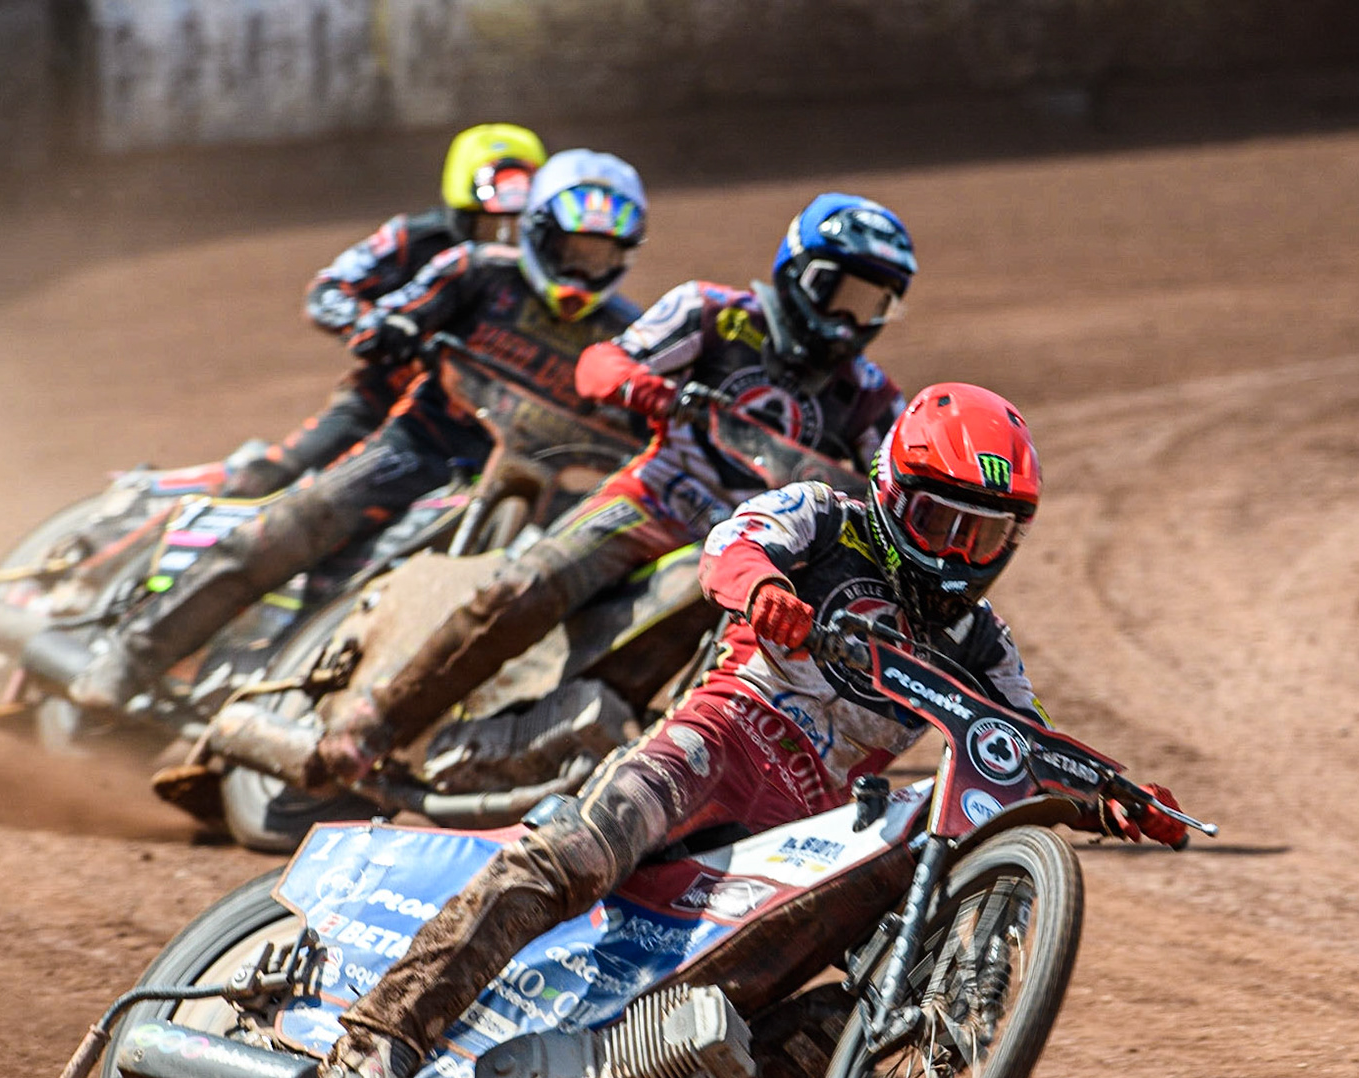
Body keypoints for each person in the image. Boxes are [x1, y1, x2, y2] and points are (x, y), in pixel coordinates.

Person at [316, 382, 1191, 1078]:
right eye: (940, 522)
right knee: (574, 854)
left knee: (853, 994)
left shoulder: (984, 643)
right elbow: (729, 544)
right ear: (891, 489)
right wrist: (766, 590)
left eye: (984, 536)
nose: (958, 555)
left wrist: (1110, 794)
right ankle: (378, 1038)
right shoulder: (824, 517)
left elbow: (1021, 746)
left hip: (801, 833)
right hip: (717, 737)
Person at [265, 193, 918, 789]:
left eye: (870, 304)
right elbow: (601, 362)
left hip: (744, 550)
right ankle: (366, 731)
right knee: (523, 589)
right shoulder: (712, 313)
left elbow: (897, 484)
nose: (846, 320)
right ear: (797, 272)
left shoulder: (871, 396)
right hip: (652, 502)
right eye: (838, 293)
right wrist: (644, 386)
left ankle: (599, 757)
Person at [65, 149, 649, 712]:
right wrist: (390, 327)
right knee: (297, 523)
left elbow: (650, 418)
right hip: (418, 445)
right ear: (536, 234)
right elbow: (392, 312)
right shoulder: (472, 271)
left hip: (517, 485)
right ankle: (132, 655)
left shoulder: (627, 336)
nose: (580, 270)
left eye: (598, 256)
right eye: (569, 249)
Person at [221, 123, 548, 499]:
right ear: (461, 212)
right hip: (386, 397)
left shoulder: (556, 272)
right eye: (492, 226)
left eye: (519, 226)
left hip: (491, 421)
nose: (506, 243)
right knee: (269, 479)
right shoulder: (412, 240)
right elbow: (328, 289)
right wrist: (376, 327)